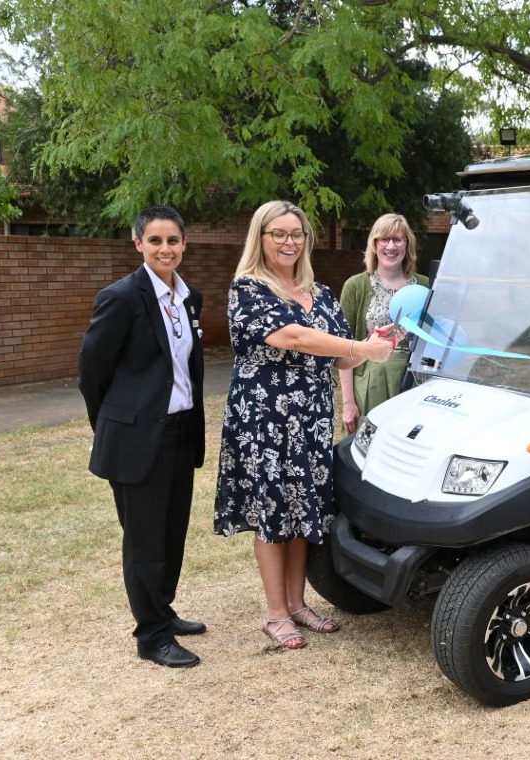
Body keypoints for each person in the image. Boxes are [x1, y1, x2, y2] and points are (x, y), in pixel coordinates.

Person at [213, 200, 394, 650]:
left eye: (296, 234)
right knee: (273, 512)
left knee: (304, 508)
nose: (289, 242)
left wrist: (374, 343)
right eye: (278, 233)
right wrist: (359, 347)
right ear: (261, 238)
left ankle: (297, 605)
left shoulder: (322, 293)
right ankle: (275, 614)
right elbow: (293, 338)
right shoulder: (248, 289)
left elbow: (341, 357)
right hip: (266, 418)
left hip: (311, 417)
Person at [78, 205, 207, 669]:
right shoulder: (121, 298)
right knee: (144, 541)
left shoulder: (189, 298)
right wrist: (115, 427)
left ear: (184, 244)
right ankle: (151, 636)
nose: (164, 249)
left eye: (172, 240)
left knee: (171, 534)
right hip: (137, 439)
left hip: (180, 433)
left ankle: (162, 611)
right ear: (138, 244)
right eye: (155, 240)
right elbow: (92, 374)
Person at [339, 214, 429, 433]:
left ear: (407, 244)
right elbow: (344, 347)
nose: (391, 246)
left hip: (413, 383)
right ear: (374, 244)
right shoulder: (355, 286)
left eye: (397, 239)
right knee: (368, 445)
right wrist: (348, 403)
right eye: (384, 239)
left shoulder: (425, 285)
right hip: (370, 381)